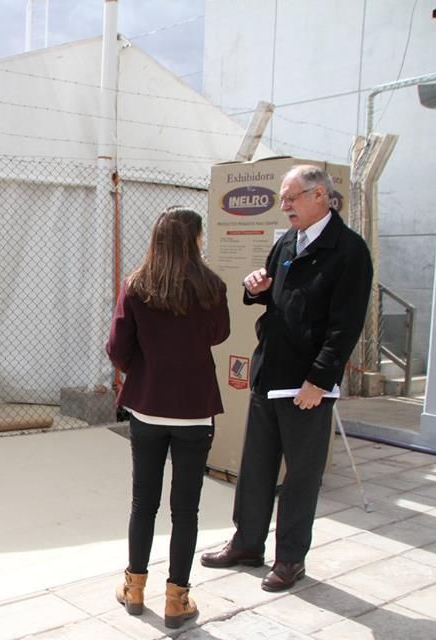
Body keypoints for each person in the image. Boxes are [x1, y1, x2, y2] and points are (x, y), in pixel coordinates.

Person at [200, 165, 373, 592]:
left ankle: (290, 558)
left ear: (320, 196)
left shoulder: (349, 251)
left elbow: (346, 326)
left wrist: (320, 380)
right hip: (269, 372)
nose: (284, 206)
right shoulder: (287, 242)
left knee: (300, 476)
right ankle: (247, 543)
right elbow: (274, 296)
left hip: (306, 386)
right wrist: (255, 287)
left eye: (291, 197)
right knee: (256, 468)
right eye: (282, 198)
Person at [106, 206, 230, 629]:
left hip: (148, 406)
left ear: (157, 238)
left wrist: (144, 368)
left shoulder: (136, 285)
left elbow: (117, 348)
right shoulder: (211, 286)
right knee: (186, 509)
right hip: (195, 409)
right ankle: (178, 599)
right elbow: (219, 334)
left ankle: (134, 587)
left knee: (144, 502)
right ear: (195, 239)